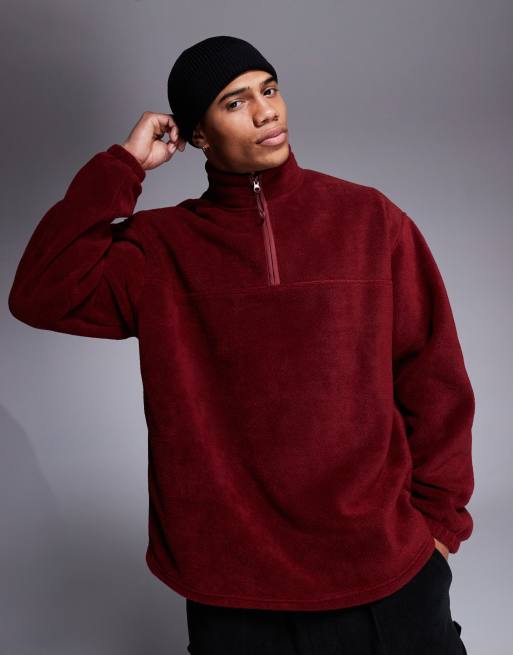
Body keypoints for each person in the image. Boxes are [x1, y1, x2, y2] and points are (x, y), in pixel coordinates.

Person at [8, 35, 473, 654]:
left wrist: (439, 527)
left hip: (385, 573)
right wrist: (124, 164)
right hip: (234, 592)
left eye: (269, 89)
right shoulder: (160, 249)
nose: (265, 112)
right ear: (198, 134)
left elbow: (434, 377)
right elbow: (40, 291)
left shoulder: (370, 220)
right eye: (235, 101)